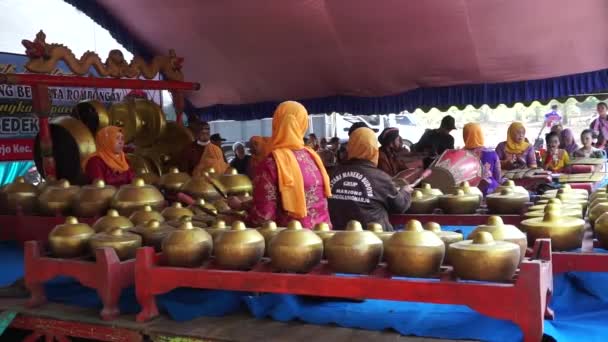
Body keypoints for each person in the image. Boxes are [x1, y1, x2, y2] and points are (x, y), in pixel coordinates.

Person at [228, 101, 331, 228]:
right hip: (322, 236)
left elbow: (264, 216)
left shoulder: (272, 163)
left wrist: (240, 220)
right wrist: (244, 205)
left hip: (288, 242)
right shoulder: (313, 157)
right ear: (303, 124)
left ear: (276, 123)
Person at [328, 127, 411, 231]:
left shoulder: (332, 174)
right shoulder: (380, 177)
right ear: (374, 148)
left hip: (338, 238)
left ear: (350, 147)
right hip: (374, 240)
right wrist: (405, 191)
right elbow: (400, 205)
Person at [462, 123, 502, 195]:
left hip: (467, 193)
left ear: (465, 135)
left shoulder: (460, 154)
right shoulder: (491, 153)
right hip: (490, 190)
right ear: (480, 135)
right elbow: (498, 176)